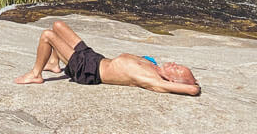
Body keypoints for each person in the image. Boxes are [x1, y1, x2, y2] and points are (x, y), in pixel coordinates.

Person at [14, 20, 200, 96]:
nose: (174, 64)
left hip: (88, 70)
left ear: (171, 79)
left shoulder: (153, 80)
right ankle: (54, 63)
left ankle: (35, 74)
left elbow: (191, 90)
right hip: (94, 58)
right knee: (58, 25)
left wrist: (194, 86)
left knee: (47, 35)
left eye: (176, 69)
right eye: (178, 64)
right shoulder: (153, 65)